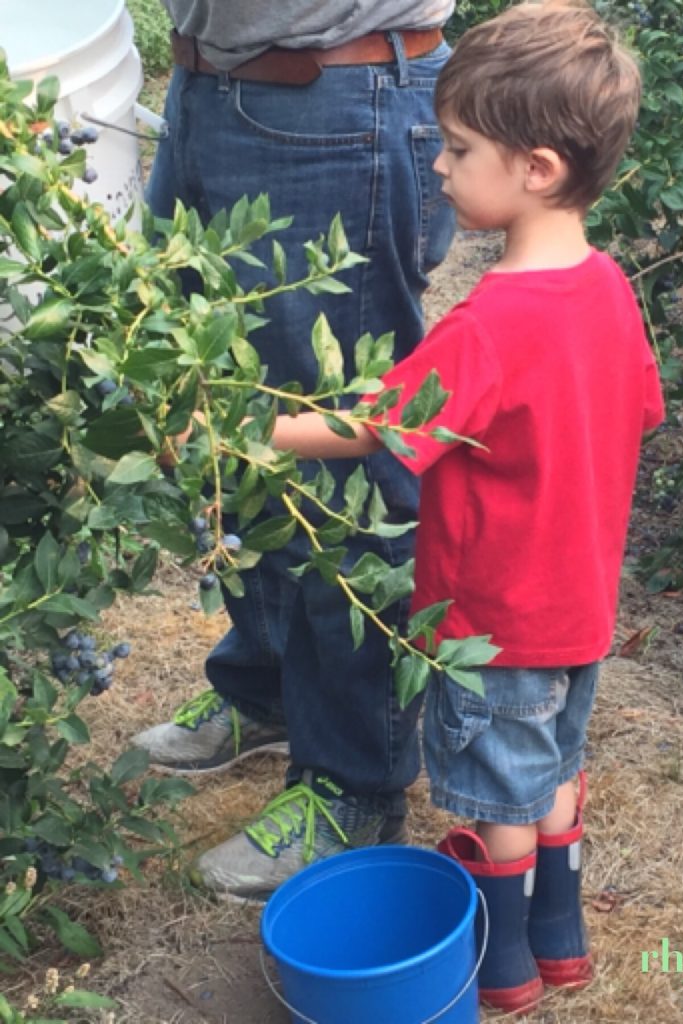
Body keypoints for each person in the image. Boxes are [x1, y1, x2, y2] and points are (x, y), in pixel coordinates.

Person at [265, 1, 663, 1010]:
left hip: (494, 622)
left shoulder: (490, 322)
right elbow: (636, 408)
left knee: (495, 802)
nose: (437, 166)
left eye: (455, 148)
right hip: (578, 607)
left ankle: (503, 968)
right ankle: (561, 941)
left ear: (534, 168)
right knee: (554, 770)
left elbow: (376, 429)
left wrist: (256, 432)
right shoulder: (609, 286)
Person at [130, 1, 457, 901]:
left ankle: (354, 782)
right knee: (222, 410)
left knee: (335, 451)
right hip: (208, 84)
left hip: (333, 92)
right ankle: (268, 678)